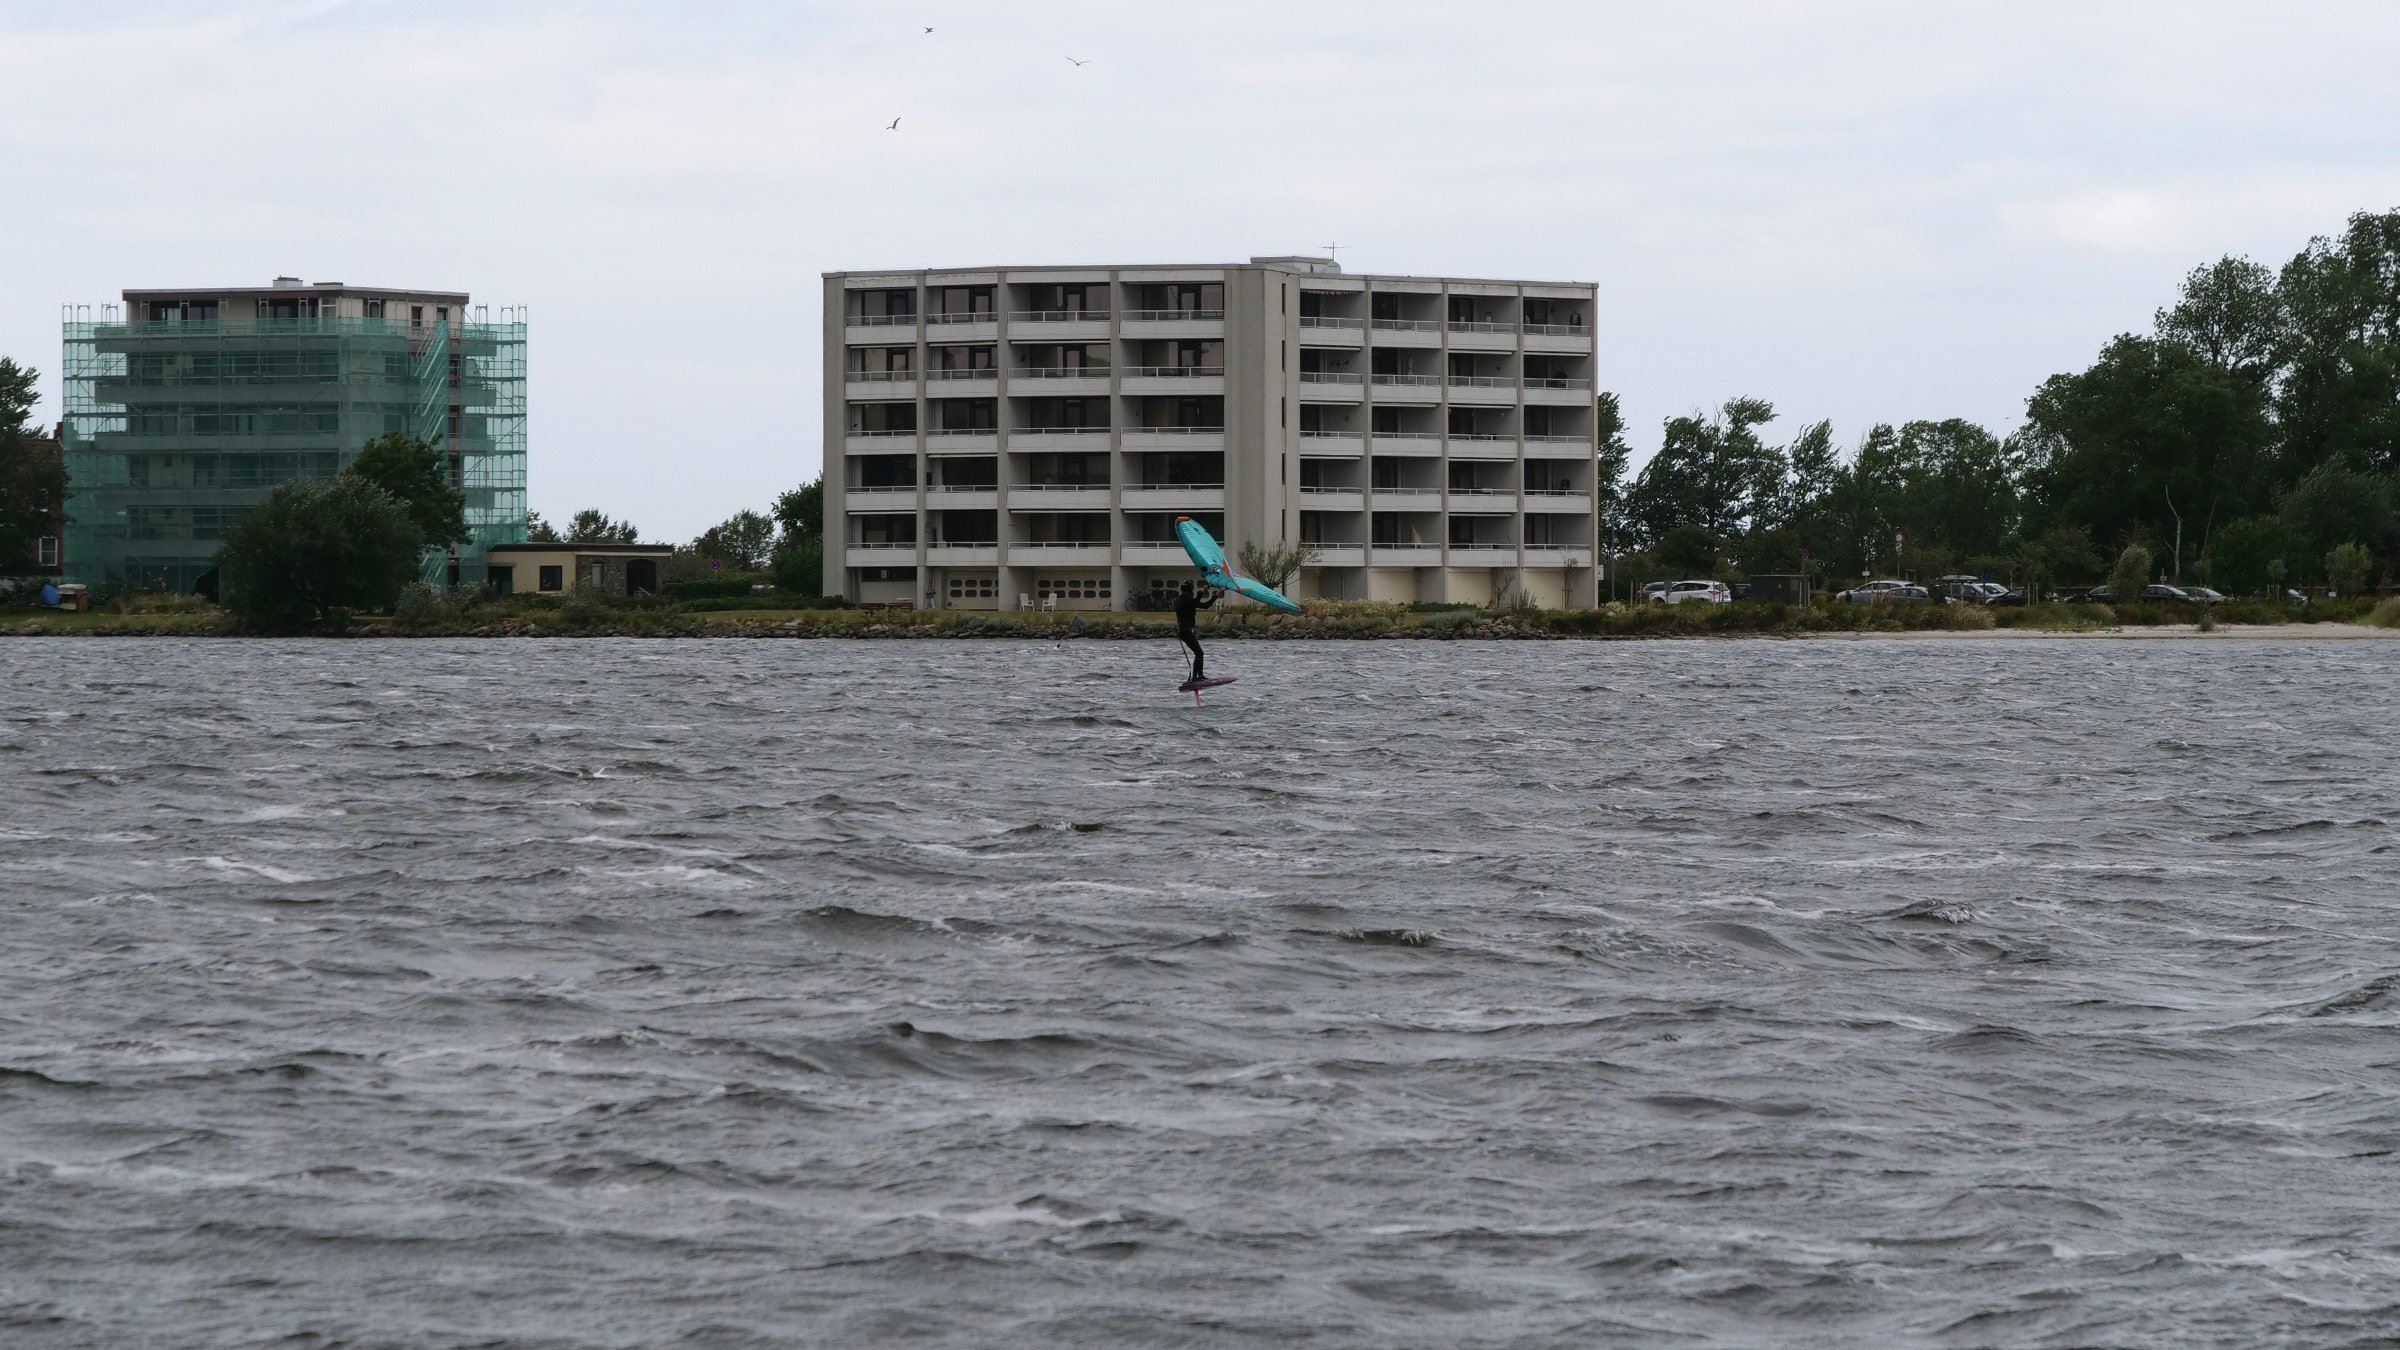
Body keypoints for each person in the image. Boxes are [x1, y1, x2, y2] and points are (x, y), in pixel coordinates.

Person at [1173, 580, 1217, 682]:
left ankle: (1195, 677)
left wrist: (1203, 591)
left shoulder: (1179, 599)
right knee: (1199, 653)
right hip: (1186, 630)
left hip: (1182, 631)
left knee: (1198, 653)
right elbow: (1204, 605)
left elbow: (1194, 602)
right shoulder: (1188, 599)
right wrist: (1215, 597)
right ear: (1190, 589)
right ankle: (1198, 677)